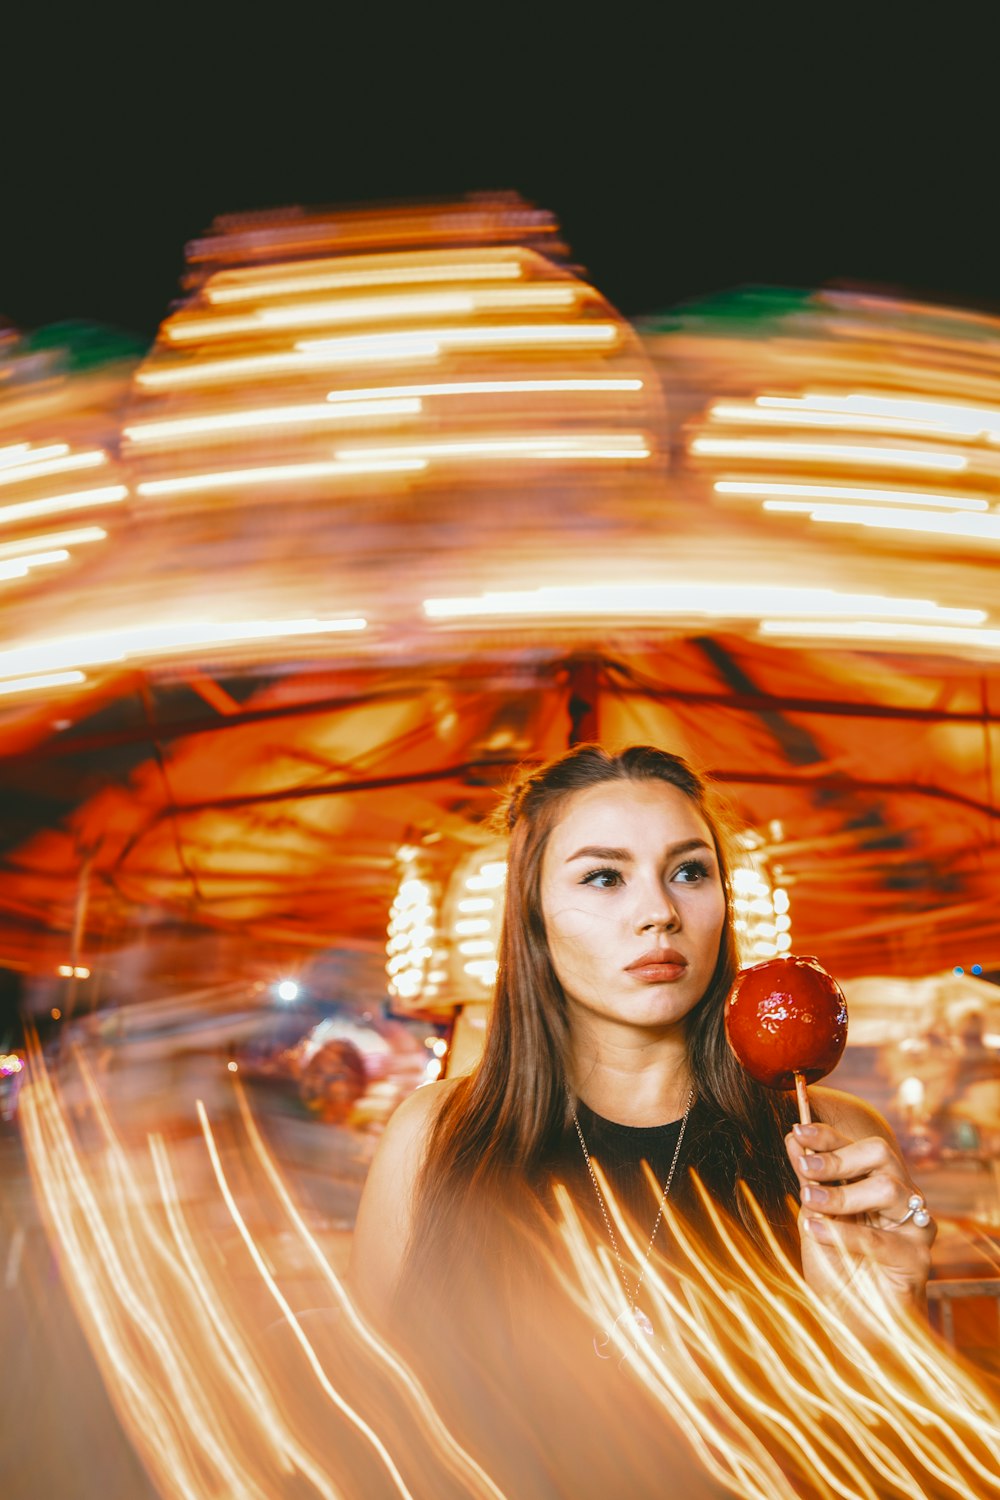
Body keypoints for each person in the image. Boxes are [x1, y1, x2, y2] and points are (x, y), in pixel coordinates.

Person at [349, 744, 935, 1493]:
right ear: (530, 912)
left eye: (689, 872)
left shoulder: (832, 1143)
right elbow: (372, 1425)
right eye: (603, 877)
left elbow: (893, 1451)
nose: (659, 913)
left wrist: (889, 1320)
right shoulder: (435, 1137)